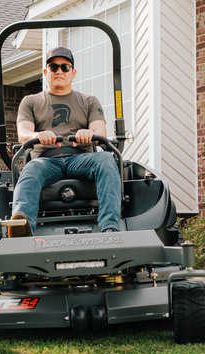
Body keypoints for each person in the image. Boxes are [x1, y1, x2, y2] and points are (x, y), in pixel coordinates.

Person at [8, 46, 122, 237]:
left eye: (64, 67)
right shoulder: (31, 101)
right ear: (46, 72)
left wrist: (89, 133)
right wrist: (37, 135)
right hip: (46, 159)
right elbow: (23, 133)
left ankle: (109, 227)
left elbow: (100, 131)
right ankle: (21, 228)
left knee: (106, 161)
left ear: (73, 72)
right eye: (53, 67)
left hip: (81, 158)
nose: (59, 71)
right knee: (30, 170)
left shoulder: (88, 101)